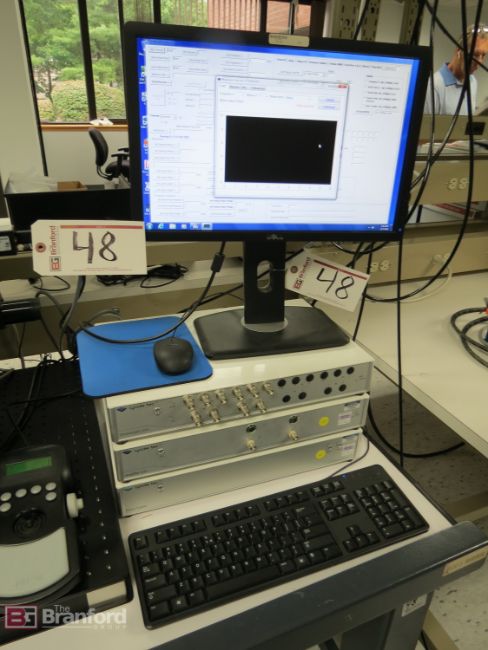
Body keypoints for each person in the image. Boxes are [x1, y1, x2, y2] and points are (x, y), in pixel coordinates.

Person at [424, 24, 488, 115]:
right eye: (475, 54)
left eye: (483, 55)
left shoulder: (472, 81)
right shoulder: (433, 87)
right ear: (459, 51)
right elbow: (424, 124)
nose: (480, 61)